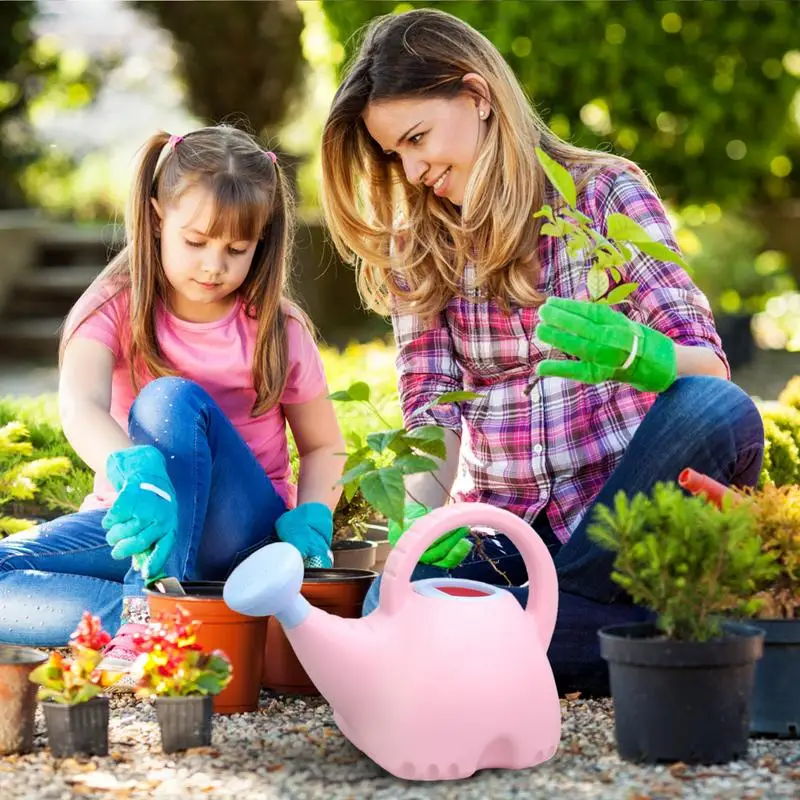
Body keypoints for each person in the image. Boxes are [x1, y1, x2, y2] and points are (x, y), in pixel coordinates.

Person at [319, 9, 764, 694]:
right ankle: (644, 637)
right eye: (394, 155)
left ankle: (526, 636)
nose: (413, 169)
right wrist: (419, 528)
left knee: (715, 410)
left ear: (478, 96)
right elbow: (431, 414)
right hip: (508, 537)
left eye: (417, 138)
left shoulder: (604, 192)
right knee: (391, 604)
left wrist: (643, 356)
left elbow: (710, 371)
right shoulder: (423, 248)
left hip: (624, 521)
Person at [0, 125, 345, 679]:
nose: (214, 265)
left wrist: (312, 517)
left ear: (263, 240)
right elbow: (80, 405)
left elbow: (325, 443)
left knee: (169, 399)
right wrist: (135, 478)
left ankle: (151, 615)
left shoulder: (278, 328)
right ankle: (159, 618)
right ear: (157, 215)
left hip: (241, 532)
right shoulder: (113, 305)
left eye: (237, 249)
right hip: (141, 524)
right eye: (196, 240)